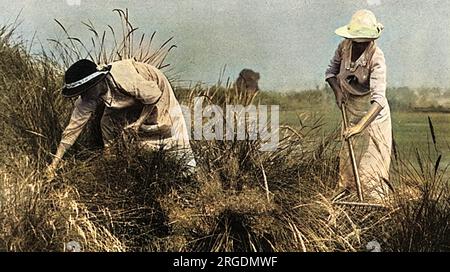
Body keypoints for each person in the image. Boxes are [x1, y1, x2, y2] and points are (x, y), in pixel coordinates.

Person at [47, 58, 196, 175]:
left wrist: (138, 123)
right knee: (107, 123)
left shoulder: (124, 77)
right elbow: (72, 130)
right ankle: (113, 159)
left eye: (84, 90)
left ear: (96, 82)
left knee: (165, 126)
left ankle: (188, 173)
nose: (83, 95)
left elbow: (153, 96)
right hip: (127, 98)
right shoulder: (88, 97)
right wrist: (54, 164)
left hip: (155, 89)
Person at [325, 10, 392, 201]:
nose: (360, 45)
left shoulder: (376, 57)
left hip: (373, 116)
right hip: (350, 107)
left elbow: (379, 100)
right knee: (348, 163)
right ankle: (347, 199)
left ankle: (373, 206)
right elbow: (330, 73)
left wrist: (360, 127)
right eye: (357, 41)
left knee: (371, 167)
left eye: (364, 41)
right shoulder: (343, 47)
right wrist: (338, 91)